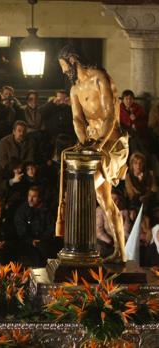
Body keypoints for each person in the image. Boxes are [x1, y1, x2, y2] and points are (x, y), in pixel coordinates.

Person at [58, 45, 129, 262]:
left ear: (72, 59)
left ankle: (82, 249)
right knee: (104, 199)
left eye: (63, 65)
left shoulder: (99, 78)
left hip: (112, 143)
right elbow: (78, 120)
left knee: (86, 184)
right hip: (93, 145)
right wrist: (86, 144)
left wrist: (98, 145)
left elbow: (110, 115)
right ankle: (120, 253)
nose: (63, 71)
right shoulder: (74, 90)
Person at [14, 186, 56, 266]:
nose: (30, 199)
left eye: (34, 196)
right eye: (29, 195)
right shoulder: (22, 211)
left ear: (39, 198)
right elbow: (21, 229)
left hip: (43, 241)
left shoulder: (47, 210)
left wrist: (42, 240)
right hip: (27, 243)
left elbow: (51, 227)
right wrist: (31, 240)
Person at [0, 120, 35, 196]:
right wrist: (13, 169)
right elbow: (2, 160)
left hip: (23, 168)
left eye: (24, 131)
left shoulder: (30, 142)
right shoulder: (4, 142)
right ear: (14, 131)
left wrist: (21, 167)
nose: (22, 133)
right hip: (6, 168)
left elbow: (30, 158)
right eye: (19, 131)